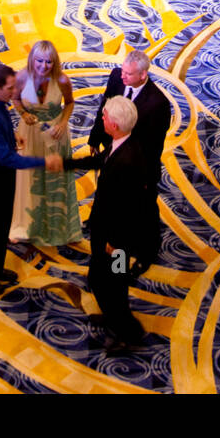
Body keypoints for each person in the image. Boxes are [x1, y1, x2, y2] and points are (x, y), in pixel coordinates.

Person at [0, 62, 61, 294]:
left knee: (0, 225)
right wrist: (44, 162)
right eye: (10, 88)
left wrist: (11, 136)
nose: (14, 93)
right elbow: (8, 159)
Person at [68, 97, 153, 346]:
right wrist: (68, 164)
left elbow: (131, 208)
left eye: (104, 116)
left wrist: (115, 243)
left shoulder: (127, 162)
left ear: (114, 125)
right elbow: (102, 161)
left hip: (118, 243)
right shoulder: (123, 144)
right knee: (100, 280)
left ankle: (128, 333)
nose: (101, 118)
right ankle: (116, 319)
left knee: (114, 284)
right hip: (107, 233)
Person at [89, 50, 169, 264]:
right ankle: (111, 271)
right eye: (123, 71)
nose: (123, 77)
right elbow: (104, 109)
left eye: (129, 74)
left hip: (137, 169)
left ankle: (141, 258)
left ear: (143, 74)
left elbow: (153, 147)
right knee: (110, 209)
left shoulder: (158, 104)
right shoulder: (117, 76)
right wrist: (94, 138)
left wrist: (142, 178)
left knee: (135, 219)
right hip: (114, 154)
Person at [10, 40, 82, 246]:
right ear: (32, 59)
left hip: (54, 134)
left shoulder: (61, 80)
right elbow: (15, 99)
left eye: (49, 62)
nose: (43, 66)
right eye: (39, 61)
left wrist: (63, 122)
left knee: (55, 179)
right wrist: (23, 113)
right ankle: (23, 227)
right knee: (27, 178)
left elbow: (69, 103)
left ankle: (58, 229)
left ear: (55, 62)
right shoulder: (22, 77)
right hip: (29, 132)